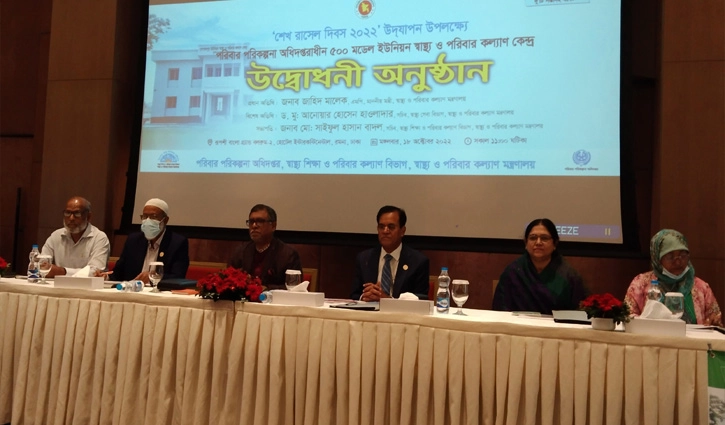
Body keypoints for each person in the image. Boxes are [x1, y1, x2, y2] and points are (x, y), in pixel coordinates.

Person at [624, 229, 722, 326]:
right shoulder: (640, 284)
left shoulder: (701, 287)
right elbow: (627, 318)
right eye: (670, 257)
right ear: (657, 259)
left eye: (683, 255)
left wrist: (713, 322)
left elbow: (715, 319)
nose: (678, 262)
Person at [492, 218, 589, 314]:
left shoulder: (569, 276)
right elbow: (500, 308)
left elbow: (580, 312)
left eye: (544, 238)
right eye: (533, 238)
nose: (538, 242)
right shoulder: (513, 272)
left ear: (555, 243)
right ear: (526, 243)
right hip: (518, 324)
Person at [351, 205, 430, 301]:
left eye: (391, 227)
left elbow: (421, 299)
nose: (385, 231)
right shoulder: (364, 258)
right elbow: (354, 294)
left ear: (402, 231)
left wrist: (387, 300)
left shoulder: (418, 261)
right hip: (369, 309)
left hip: (400, 311)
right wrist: (365, 296)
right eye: (381, 227)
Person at [111, 198, 189, 283]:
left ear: (165, 220)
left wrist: (152, 276)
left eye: (153, 217)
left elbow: (178, 277)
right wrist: (106, 276)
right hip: (132, 289)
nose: (148, 221)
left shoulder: (177, 243)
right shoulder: (133, 240)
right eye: (144, 216)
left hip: (159, 290)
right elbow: (118, 272)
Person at [229, 204, 301, 290]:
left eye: (260, 221)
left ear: (273, 226)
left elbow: (294, 288)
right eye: (251, 221)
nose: (254, 226)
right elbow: (228, 280)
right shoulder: (241, 252)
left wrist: (267, 289)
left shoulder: (288, 254)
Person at [41, 196, 110, 277]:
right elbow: (41, 264)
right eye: (67, 213)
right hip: (57, 284)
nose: (71, 218)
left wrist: (63, 272)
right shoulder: (56, 236)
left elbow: (95, 272)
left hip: (85, 285)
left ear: (88, 217)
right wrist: (43, 267)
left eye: (77, 213)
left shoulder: (99, 238)